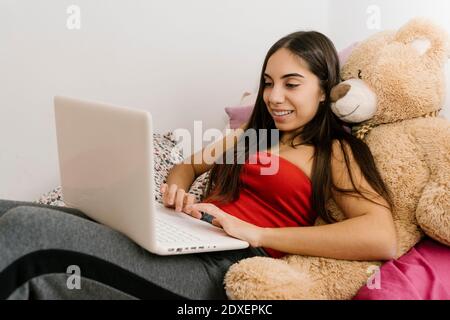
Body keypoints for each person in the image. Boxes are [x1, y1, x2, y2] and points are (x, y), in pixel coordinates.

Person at [0, 30, 397, 300]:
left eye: (291, 84)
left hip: (224, 267)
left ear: (325, 91)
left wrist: (256, 233)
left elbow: (381, 237)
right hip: (187, 238)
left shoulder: (333, 151)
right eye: (267, 82)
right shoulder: (253, 138)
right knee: (8, 211)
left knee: (28, 229)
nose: (275, 96)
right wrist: (175, 189)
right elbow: (187, 169)